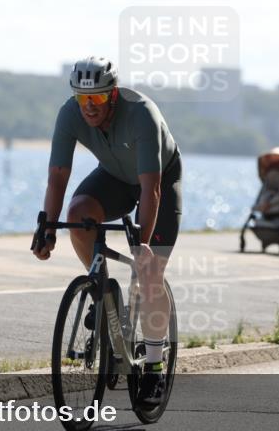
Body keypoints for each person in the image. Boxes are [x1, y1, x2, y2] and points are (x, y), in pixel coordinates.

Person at [32, 56, 182, 408]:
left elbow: (152, 189)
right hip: (114, 176)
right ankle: (103, 293)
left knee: (150, 270)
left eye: (97, 99)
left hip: (158, 181)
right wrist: (47, 228)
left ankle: (155, 364)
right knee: (78, 215)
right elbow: (57, 176)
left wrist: (143, 244)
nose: (89, 107)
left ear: (112, 95)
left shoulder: (141, 113)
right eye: (83, 99)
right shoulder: (69, 113)